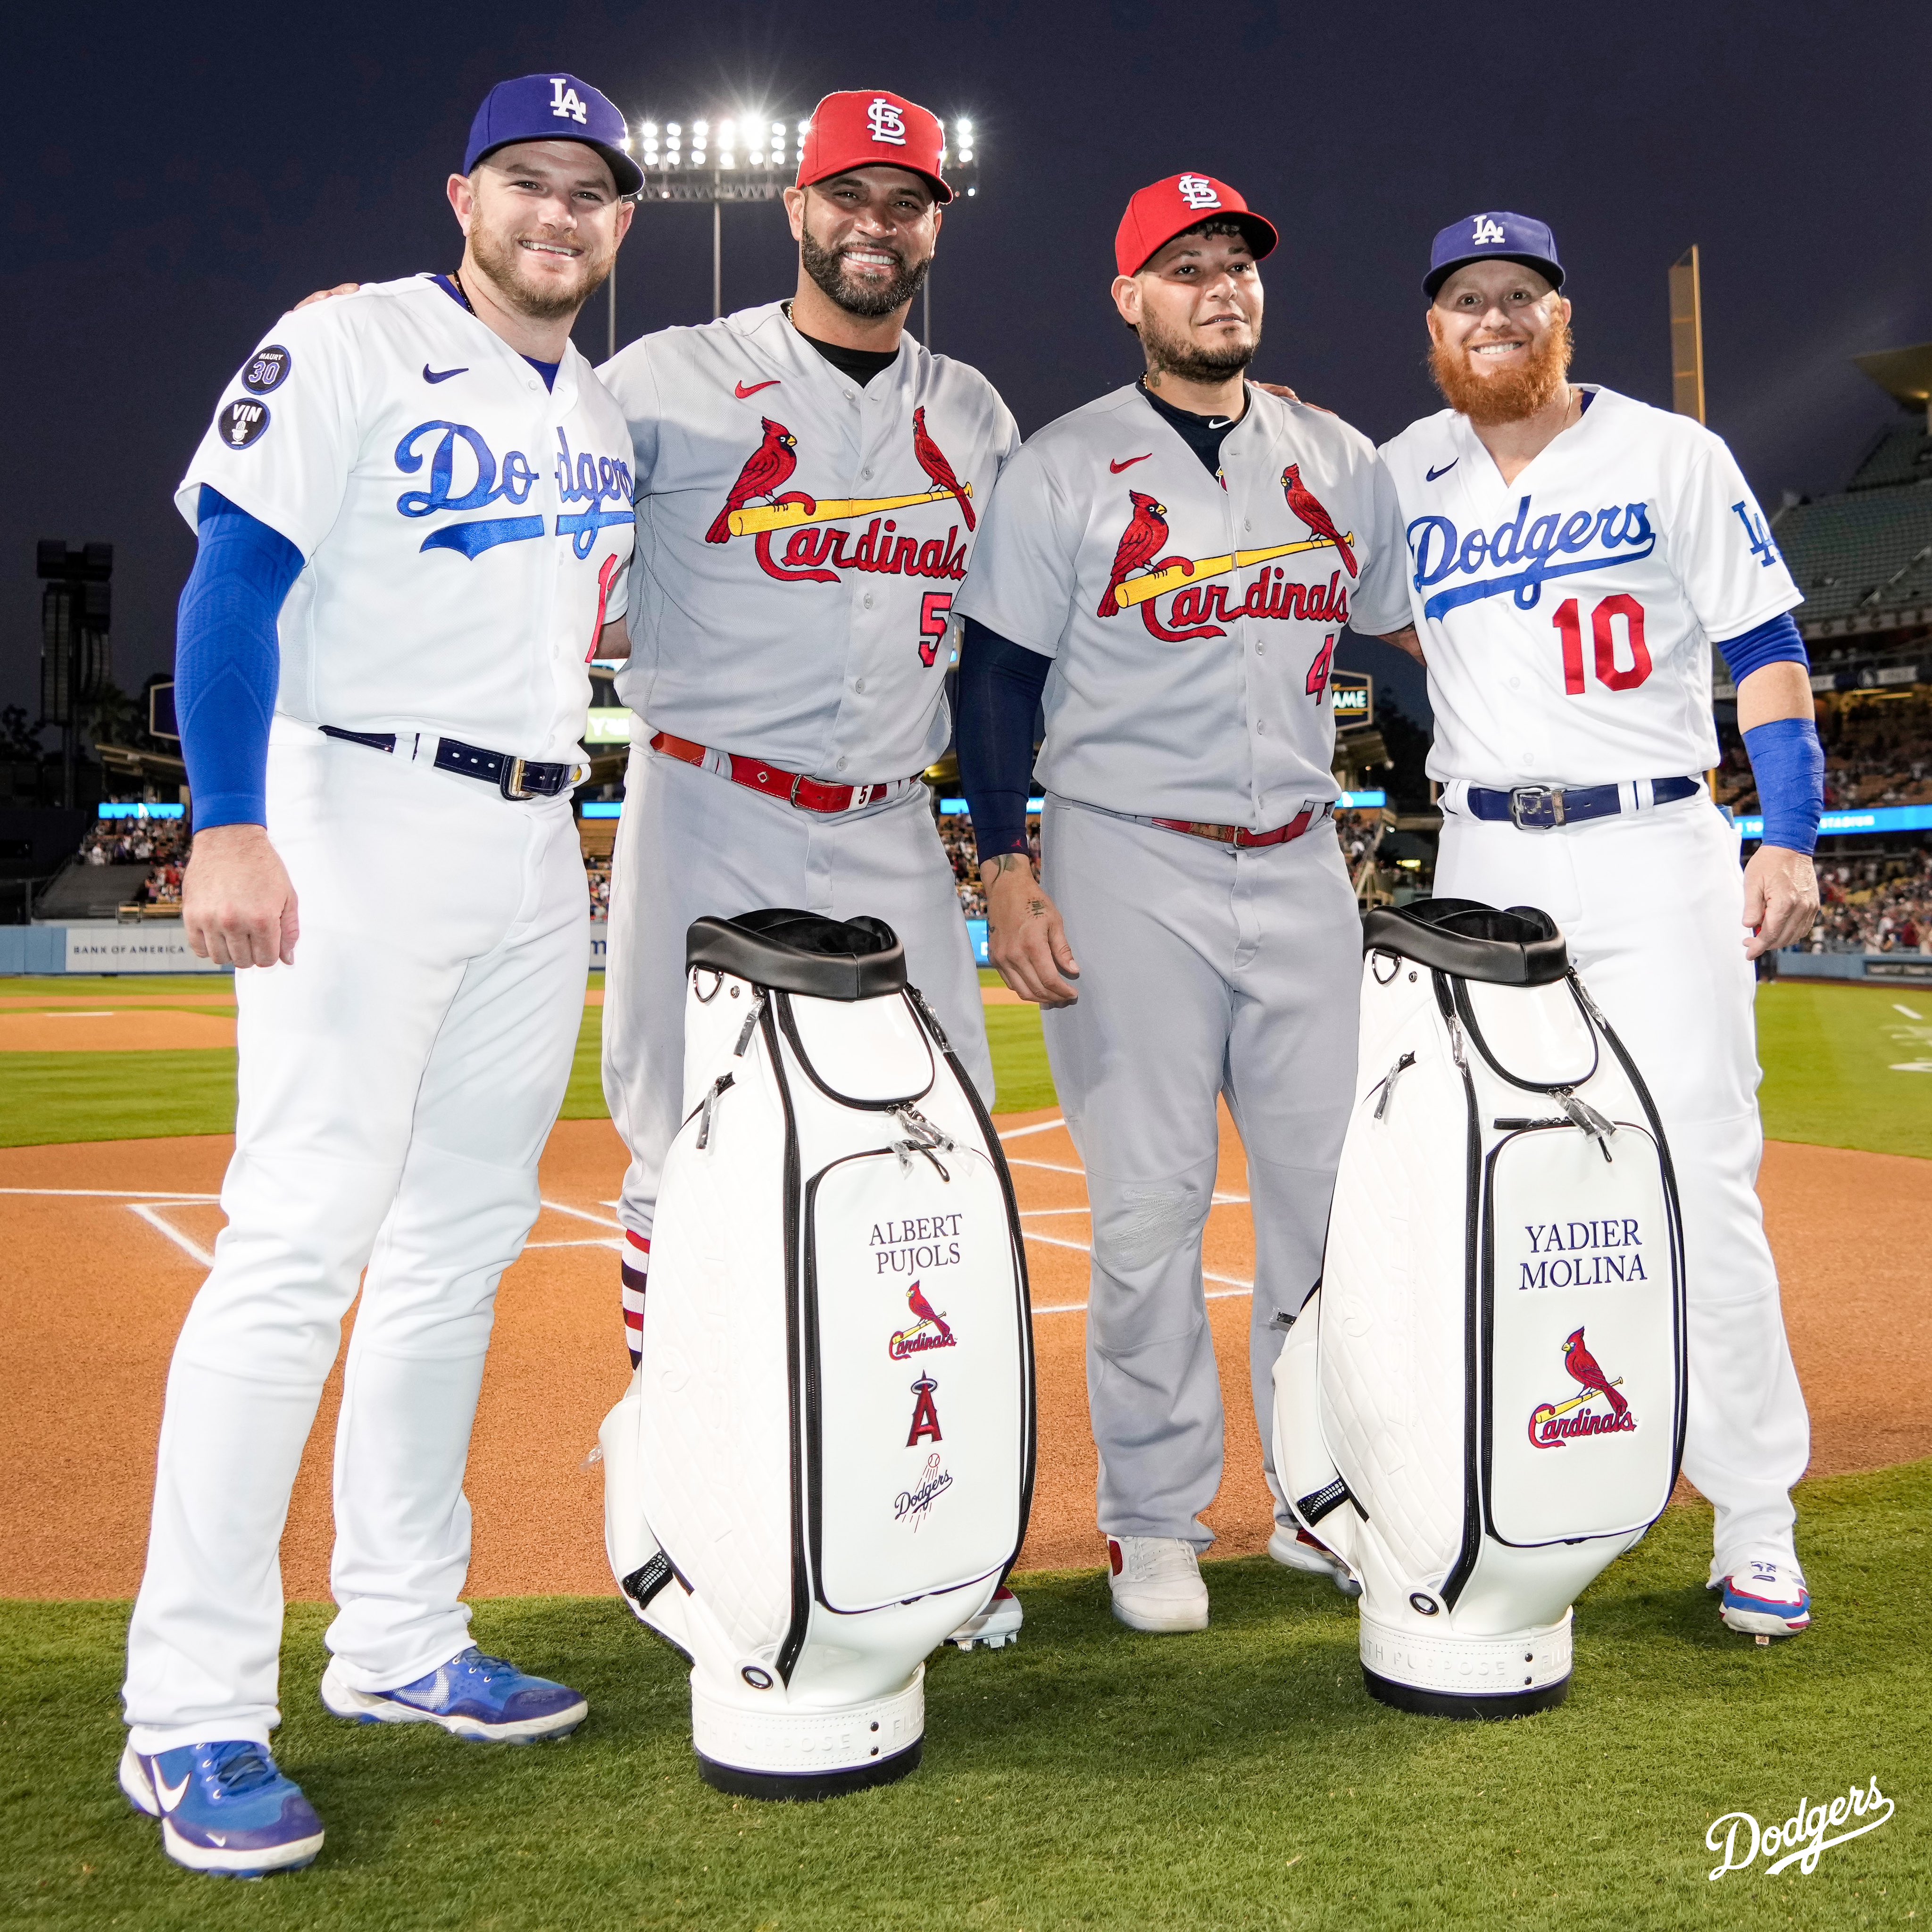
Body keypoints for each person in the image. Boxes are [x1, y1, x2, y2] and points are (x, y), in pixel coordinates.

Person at [120, 73, 640, 1878]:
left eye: (589, 189)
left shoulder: (592, 411)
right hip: (352, 806)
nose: (556, 212)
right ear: (462, 196)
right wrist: (233, 819)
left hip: (524, 835)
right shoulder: (348, 341)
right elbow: (234, 581)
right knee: (295, 1248)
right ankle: (188, 1711)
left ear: (622, 223)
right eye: (525, 182)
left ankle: (402, 1638)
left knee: (460, 1249)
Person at [953, 174, 1416, 1632]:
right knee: (1150, 1207)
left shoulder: (1338, 457)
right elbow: (998, 678)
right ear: (1130, 298)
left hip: (1299, 855)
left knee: (1329, 1206)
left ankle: (1319, 1493)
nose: (1221, 285)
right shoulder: (1064, 464)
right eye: (1186, 266)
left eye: (1239, 264)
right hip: (1125, 851)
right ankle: (1155, 1520)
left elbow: (1416, 644)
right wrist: (1007, 864)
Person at [593, 90, 1023, 1649]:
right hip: (706, 802)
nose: (877, 223)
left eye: (906, 202)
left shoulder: (974, 412)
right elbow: (529, 466)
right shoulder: (670, 377)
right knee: (674, 1147)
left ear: (933, 225)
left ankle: (922, 1512)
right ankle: (678, 1498)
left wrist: (1006, 843)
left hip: (890, 820)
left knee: (942, 1140)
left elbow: (1004, 648)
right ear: (796, 202)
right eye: (852, 193)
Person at [1377, 211, 1819, 1640]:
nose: (1494, 315)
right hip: (1487, 853)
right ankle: (1512, 1488)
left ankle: (1754, 1516)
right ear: (1434, 332)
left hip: (1649, 844)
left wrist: (1794, 833)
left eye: (1522, 294)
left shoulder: (1671, 454)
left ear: (1562, 319)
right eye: (1466, 299)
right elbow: (1372, 620)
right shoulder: (1401, 475)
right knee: (1495, 1186)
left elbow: (1764, 651)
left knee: (1703, 1176)